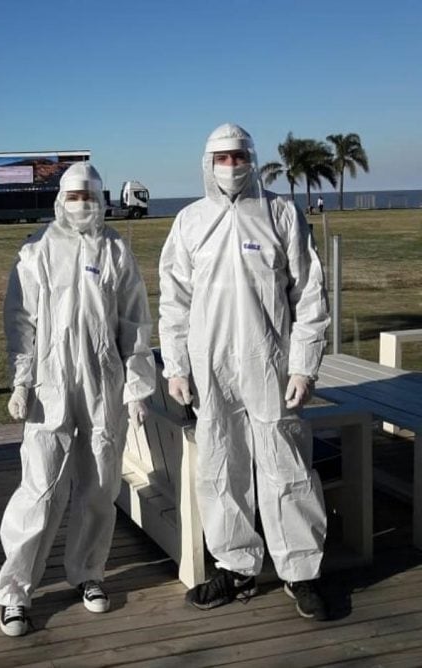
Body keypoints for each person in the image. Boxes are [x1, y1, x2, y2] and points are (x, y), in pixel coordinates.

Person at [158, 123, 331, 621]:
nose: (231, 166)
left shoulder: (279, 213)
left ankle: (303, 570)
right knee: (220, 463)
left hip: (270, 361)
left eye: (239, 157)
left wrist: (304, 364)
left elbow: (309, 293)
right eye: (222, 158)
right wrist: (176, 365)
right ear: (207, 163)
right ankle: (235, 565)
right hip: (212, 368)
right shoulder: (190, 221)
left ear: (252, 159)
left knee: (287, 463)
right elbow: (175, 300)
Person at [0, 162, 156, 637]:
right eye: (73, 195)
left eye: (89, 194)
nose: (82, 202)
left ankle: (88, 574)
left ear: (101, 198)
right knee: (39, 490)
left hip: (103, 387)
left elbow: (135, 323)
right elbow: (20, 321)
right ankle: (15, 592)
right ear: (59, 199)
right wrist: (21, 381)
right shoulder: (37, 250)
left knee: (100, 487)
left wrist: (138, 387)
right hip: (50, 386)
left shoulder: (117, 251)